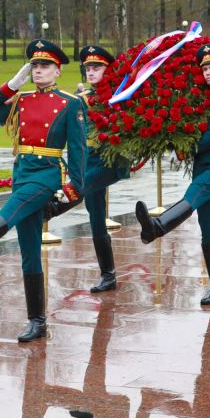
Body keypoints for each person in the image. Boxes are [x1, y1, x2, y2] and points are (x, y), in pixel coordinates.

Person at [0, 39, 86, 342]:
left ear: (57, 71)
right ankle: (37, 321)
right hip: (23, 173)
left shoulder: (70, 104)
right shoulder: (22, 100)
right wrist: (12, 83)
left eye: (44, 65)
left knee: (12, 208)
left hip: (47, 175)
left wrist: (70, 195)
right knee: (29, 251)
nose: (38, 70)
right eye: (34, 65)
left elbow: (78, 156)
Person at [135, 44, 210, 304]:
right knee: (208, 227)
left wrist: (185, 148)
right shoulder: (199, 97)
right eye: (204, 68)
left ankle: (157, 227)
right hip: (203, 163)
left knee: (193, 194)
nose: (208, 73)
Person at [45, 45, 129, 293]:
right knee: (96, 220)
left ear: (108, 70)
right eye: (88, 68)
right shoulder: (81, 99)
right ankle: (108, 275)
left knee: (78, 189)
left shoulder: (120, 95)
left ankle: (49, 210)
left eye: (97, 68)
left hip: (109, 161)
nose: (91, 72)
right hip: (86, 162)